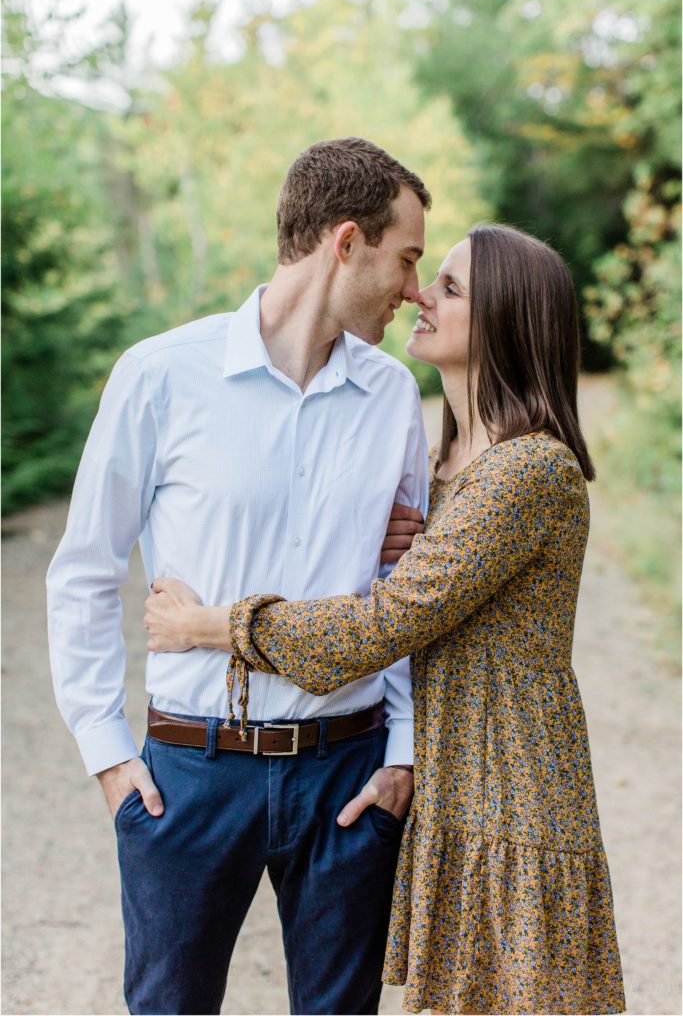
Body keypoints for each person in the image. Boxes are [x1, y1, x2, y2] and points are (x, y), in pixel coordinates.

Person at [145, 225, 626, 1015]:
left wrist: (210, 627)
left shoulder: (529, 468)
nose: (418, 294)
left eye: (449, 287)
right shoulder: (456, 471)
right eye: (424, 275)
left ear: (505, 318)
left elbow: (384, 624)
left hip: (513, 800)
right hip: (458, 799)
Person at [46, 137, 433, 1016]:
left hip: (349, 776)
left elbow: (403, 595)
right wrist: (107, 755)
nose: (413, 287)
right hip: (189, 773)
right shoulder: (159, 376)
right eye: (405, 257)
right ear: (345, 242)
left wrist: (402, 756)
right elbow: (85, 570)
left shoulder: (391, 399)